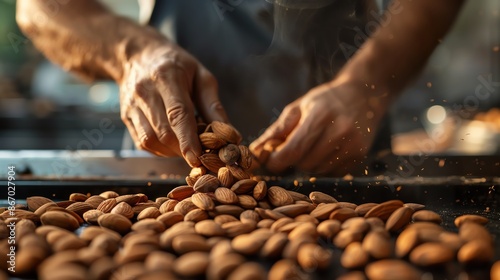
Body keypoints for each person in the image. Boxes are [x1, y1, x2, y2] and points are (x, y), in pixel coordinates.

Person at [16, 0, 464, 175]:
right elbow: (39, 8)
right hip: (173, 170)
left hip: (347, 153)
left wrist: (365, 87)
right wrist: (131, 51)